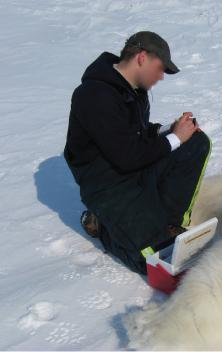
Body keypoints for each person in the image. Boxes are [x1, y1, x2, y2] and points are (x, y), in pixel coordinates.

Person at [64, 31, 211, 274]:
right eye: (160, 68)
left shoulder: (133, 90)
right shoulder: (94, 95)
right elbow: (126, 154)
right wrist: (174, 137)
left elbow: (135, 133)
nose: (161, 77)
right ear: (142, 58)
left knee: (195, 142)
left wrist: (171, 130)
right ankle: (103, 226)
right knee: (158, 260)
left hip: (133, 168)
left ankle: (168, 222)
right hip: (107, 184)